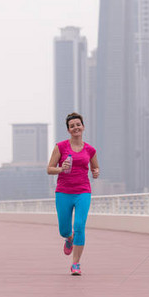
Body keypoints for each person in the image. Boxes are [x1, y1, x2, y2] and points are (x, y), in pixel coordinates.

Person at [46, 112, 99, 276]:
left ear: (83, 126)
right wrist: (61, 169)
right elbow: (49, 169)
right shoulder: (61, 147)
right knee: (64, 230)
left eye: (78, 124)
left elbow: (95, 167)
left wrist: (96, 172)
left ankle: (75, 264)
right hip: (63, 191)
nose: (76, 127)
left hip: (83, 191)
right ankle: (68, 238)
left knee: (79, 226)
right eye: (72, 126)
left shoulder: (90, 150)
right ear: (68, 130)